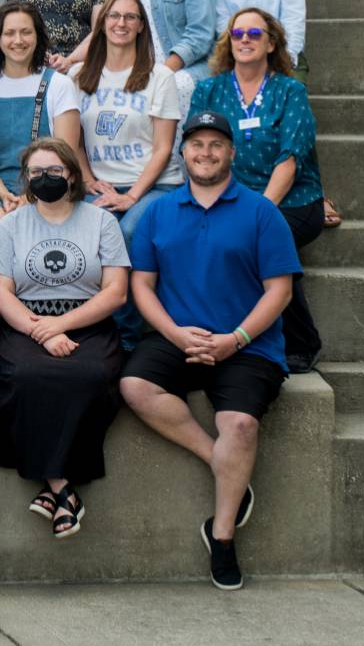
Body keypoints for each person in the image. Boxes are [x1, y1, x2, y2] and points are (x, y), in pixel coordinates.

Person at [120, 110, 298, 592]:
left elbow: (278, 291)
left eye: (215, 144)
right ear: (184, 154)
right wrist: (177, 335)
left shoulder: (261, 212)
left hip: (246, 343)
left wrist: (234, 339)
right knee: (134, 385)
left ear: (231, 153)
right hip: (177, 337)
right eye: (196, 145)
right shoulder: (159, 211)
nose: (205, 153)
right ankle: (219, 461)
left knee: (240, 424)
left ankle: (222, 538)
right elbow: (142, 287)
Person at [0, 137, 130, 541]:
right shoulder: (11, 224)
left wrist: (63, 325)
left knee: (89, 376)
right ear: (26, 179)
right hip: (26, 321)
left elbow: (116, 291)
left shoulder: (101, 221)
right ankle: (61, 487)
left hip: (88, 320)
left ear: (71, 174)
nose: (45, 178)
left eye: (54, 171)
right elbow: (1, 293)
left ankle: (51, 485)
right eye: (36, 172)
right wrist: (39, 331)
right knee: (27, 377)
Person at [189, 8, 327, 370]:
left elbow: (290, 160)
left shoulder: (290, 90)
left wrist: (258, 213)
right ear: (228, 42)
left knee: (264, 238)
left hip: (291, 200)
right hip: (226, 197)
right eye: (238, 34)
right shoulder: (208, 90)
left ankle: (300, 341)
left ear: (271, 43)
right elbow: (195, 151)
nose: (245, 40)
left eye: (254, 33)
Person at [72, 0, 187, 242]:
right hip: (103, 185)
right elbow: (75, 142)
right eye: (113, 16)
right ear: (102, 24)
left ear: (141, 26)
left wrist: (132, 196)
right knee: (97, 231)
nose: (121, 23)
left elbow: (163, 148)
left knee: (130, 231)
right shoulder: (78, 76)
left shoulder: (160, 76)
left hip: (154, 186)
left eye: (130, 17)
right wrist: (88, 180)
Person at [0, 3, 85, 243]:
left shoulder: (59, 85)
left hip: (52, 183)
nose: (18, 40)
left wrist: (29, 196)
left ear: (37, 36)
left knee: (27, 224)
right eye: (9, 33)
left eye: (26, 32)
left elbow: (66, 153)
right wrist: (6, 196)